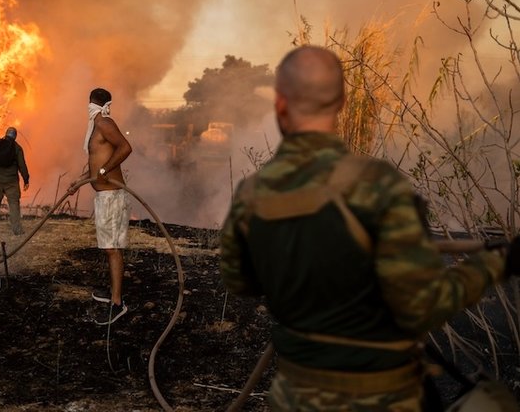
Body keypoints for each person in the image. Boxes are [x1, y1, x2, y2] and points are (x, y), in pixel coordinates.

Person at [219, 45, 515, 411]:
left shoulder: (252, 194)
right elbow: (420, 308)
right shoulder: (379, 185)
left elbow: (240, 281)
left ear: (280, 103)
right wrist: (497, 263)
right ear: (342, 100)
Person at [69, 87, 132, 325]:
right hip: (105, 196)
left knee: (113, 248)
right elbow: (97, 161)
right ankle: (113, 293)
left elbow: (126, 147)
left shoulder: (104, 123)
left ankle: (118, 304)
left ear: (91, 103)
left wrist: (104, 171)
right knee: (109, 247)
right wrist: (80, 180)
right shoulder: (97, 126)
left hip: (112, 196)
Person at [0, 127, 29, 236]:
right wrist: (26, 179)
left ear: (6, 134)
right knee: (14, 204)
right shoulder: (17, 148)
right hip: (11, 181)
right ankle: (17, 230)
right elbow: (22, 165)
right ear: (15, 136)